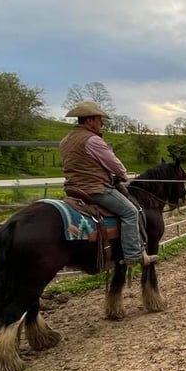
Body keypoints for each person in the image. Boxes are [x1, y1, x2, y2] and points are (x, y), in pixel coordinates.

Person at [60, 101, 156, 266]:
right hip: (95, 188)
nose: (102, 123)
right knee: (131, 212)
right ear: (89, 121)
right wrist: (122, 175)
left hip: (73, 188)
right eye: (99, 119)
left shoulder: (66, 140)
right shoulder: (92, 140)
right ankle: (133, 255)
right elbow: (114, 165)